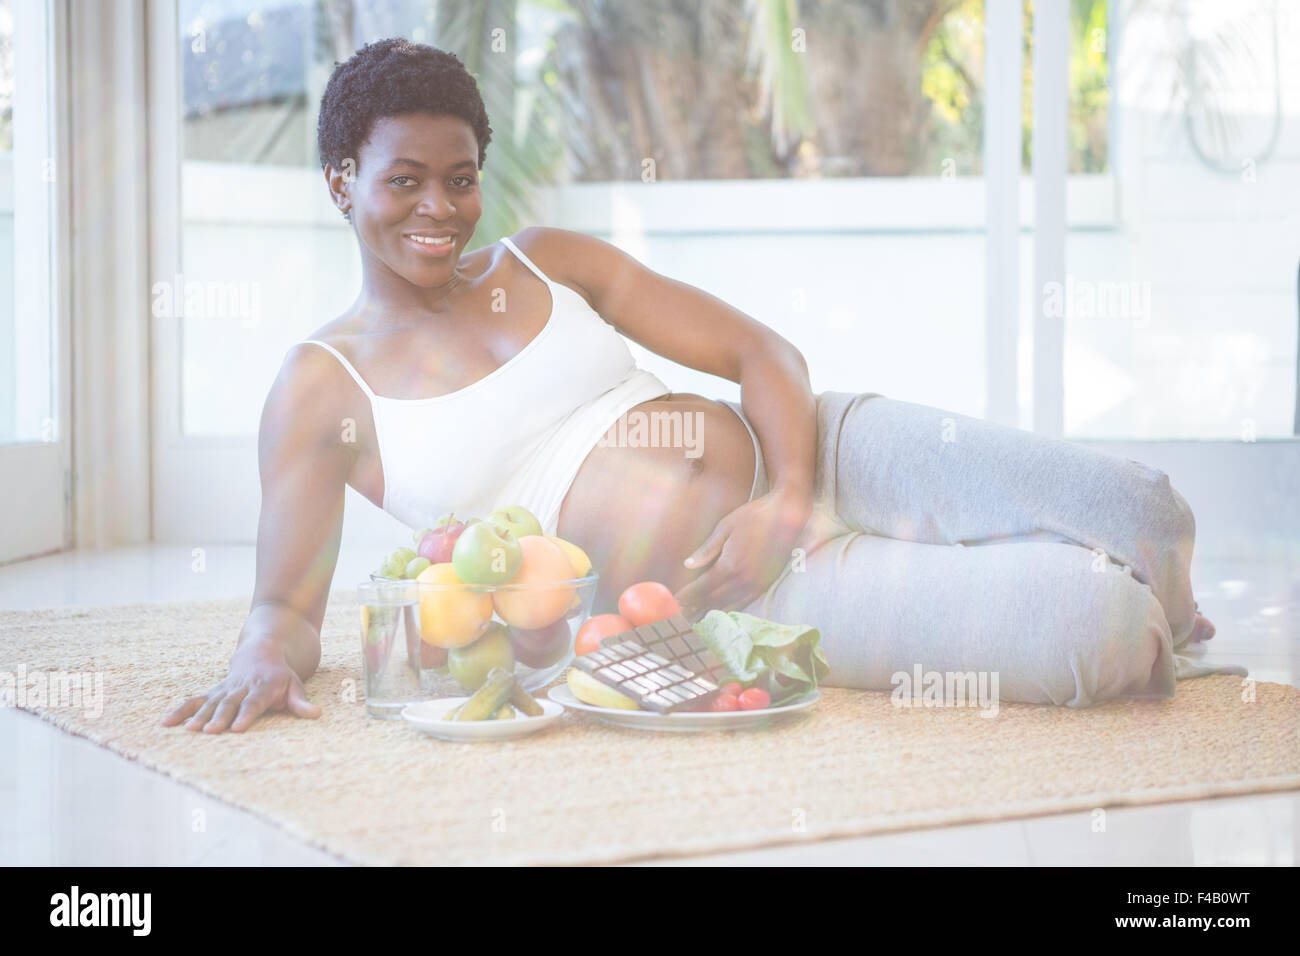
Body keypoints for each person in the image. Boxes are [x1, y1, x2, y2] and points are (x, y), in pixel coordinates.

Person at [163, 38, 1224, 735]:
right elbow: (282, 603)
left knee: (1145, 510)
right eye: (404, 180)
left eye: (460, 176)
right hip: (753, 593)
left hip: (816, 449)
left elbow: (766, 355)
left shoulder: (545, 258)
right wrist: (261, 655)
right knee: (1098, 631)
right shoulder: (319, 388)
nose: (439, 207)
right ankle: (1127, 603)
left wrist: (789, 496)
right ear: (342, 182)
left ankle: (1156, 586)